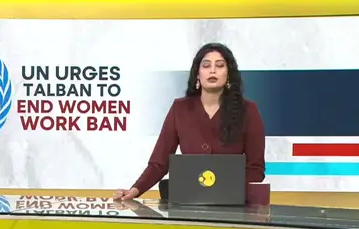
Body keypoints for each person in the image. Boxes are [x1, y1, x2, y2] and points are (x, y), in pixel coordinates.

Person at [113, 42, 265, 201]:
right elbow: (159, 163)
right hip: (188, 201)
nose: (212, 70)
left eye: (220, 65)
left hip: (233, 203)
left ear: (229, 74)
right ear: (197, 73)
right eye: (206, 65)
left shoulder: (248, 110)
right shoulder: (180, 109)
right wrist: (135, 190)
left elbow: (255, 168)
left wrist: (230, 193)